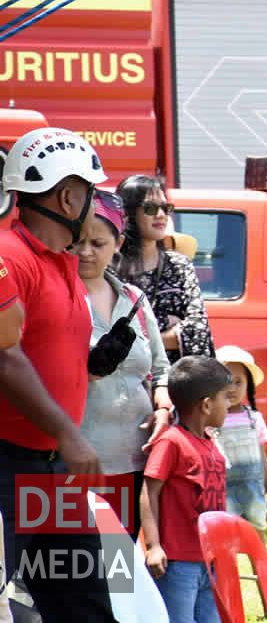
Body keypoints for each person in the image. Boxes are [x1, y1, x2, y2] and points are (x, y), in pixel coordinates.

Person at [0, 127, 116, 619]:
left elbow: (42, 351)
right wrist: (70, 434)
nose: (96, 204)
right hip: (7, 467)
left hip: (52, 472)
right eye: (92, 192)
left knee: (83, 610)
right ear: (69, 197)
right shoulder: (8, 255)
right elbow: (3, 355)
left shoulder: (63, 264)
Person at [77, 190, 173, 537]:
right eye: (78, 241)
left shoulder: (135, 299)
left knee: (120, 571)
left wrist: (162, 402)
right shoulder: (57, 295)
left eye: (97, 243)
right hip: (77, 460)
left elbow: (160, 369)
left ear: (117, 243)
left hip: (134, 457)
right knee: (70, 571)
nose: (86, 251)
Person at [140, 355, 236, 623]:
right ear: (206, 405)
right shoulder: (172, 442)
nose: (230, 405)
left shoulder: (210, 443)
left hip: (210, 561)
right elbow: (150, 492)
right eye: (225, 398)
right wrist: (154, 545)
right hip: (178, 563)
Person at [117, 175, 214, 363]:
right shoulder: (111, 270)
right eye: (151, 208)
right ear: (128, 213)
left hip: (176, 381)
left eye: (165, 208)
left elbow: (199, 331)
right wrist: (167, 322)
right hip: (126, 384)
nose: (161, 215)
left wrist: (141, 340)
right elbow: (108, 331)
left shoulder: (180, 266)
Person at [213, 345, 267, 540]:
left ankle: (261, 572)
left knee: (256, 538)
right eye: (226, 382)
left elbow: (263, 459)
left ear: (248, 385)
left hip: (253, 493)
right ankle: (227, 572)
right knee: (225, 541)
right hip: (221, 494)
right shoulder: (210, 420)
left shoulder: (254, 419)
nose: (232, 388)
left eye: (238, 382)